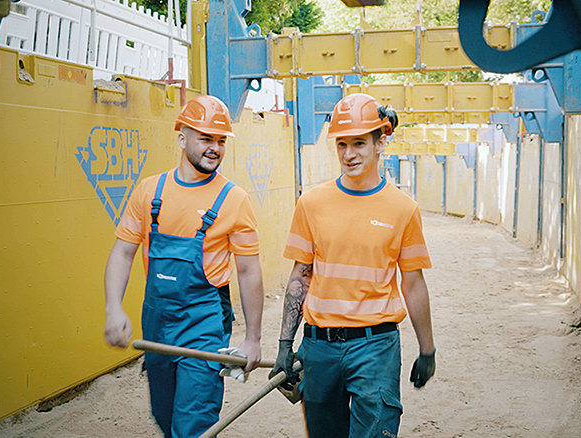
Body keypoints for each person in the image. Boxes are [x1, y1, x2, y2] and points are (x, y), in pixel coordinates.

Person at [272, 93, 437, 438]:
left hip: (375, 347)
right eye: (342, 144)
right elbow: (300, 276)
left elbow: (413, 283)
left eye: (359, 143)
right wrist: (285, 345)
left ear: (381, 141)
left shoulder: (402, 209)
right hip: (319, 348)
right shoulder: (311, 203)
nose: (349, 155)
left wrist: (427, 348)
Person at [103, 95, 264, 438]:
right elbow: (122, 253)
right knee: (164, 417)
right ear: (182, 137)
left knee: (192, 426)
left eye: (221, 140)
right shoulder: (149, 191)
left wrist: (252, 338)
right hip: (157, 324)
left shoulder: (234, 200)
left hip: (204, 326)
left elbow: (249, 271)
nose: (215, 148)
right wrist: (113, 308)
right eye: (206, 138)